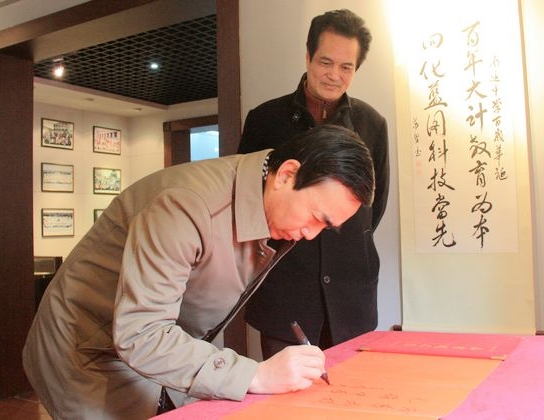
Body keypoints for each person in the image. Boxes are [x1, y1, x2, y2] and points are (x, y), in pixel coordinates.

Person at [22, 124, 375, 420]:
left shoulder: (266, 200)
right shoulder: (186, 205)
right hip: (87, 348)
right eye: (316, 217)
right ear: (286, 175)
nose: (311, 234)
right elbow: (141, 334)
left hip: (146, 350)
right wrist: (255, 374)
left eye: (325, 227)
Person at [238, 9, 390, 359]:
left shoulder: (372, 123)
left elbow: (374, 203)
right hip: (285, 289)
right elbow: (247, 196)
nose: (334, 75)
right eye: (325, 62)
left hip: (352, 293)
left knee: (350, 386)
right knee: (285, 387)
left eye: (346, 67)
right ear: (308, 56)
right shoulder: (264, 119)